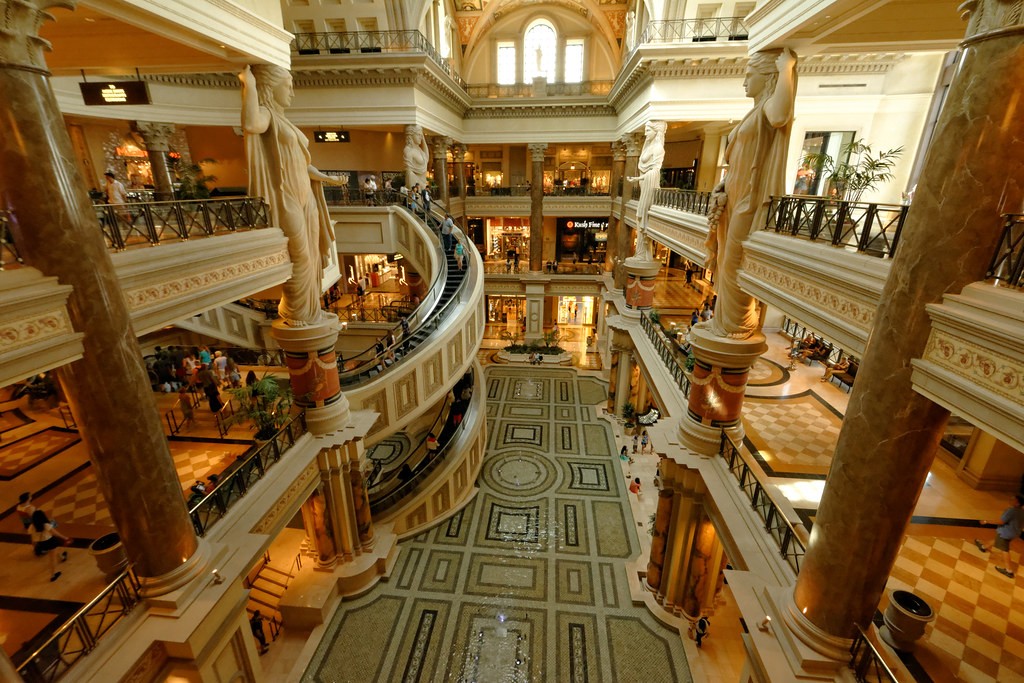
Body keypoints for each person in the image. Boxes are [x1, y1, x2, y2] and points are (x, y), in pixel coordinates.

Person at [704, 48, 797, 339]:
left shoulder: (768, 106)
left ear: (766, 77)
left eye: (750, 75)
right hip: (733, 193)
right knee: (724, 259)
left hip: (749, 197)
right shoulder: (752, 113)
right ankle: (722, 320)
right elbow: (735, 161)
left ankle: (736, 324)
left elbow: (781, 114)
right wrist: (723, 183)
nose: (745, 81)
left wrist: (786, 70)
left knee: (735, 260)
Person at [239, 64, 339, 326]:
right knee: (300, 257)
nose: (292, 93)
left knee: (313, 256)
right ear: (272, 88)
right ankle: (296, 312)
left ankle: (313, 310)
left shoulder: (287, 122)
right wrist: (249, 86)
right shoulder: (266, 115)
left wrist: (328, 178)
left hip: (307, 198)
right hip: (286, 197)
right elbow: (250, 123)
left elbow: (304, 165)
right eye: (288, 86)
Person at [625, 120, 668, 261]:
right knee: (640, 217)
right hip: (644, 186)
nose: (645, 133)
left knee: (643, 216)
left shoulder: (658, 148)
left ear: (656, 131)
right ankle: (641, 252)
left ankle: (643, 253)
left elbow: (655, 171)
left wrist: (638, 178)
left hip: (649, 186)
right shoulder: (648, 147)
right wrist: (638, 179)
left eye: (648, 130)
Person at [975, 494, 1024, 578]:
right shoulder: (1021, 511)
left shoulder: (1011, 511)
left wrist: (986, 521)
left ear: (1018, 503)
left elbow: (1001, 521)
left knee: (1004, 549)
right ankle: (983, 547)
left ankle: (1009, 571)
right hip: (1015, 533)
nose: (1011, 499)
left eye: (1014, 499)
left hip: (1006, 533)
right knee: (998, 540)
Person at [31, 509, 71, 582]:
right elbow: (56, 533)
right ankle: (53, 575)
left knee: (54, 551)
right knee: (52, 558)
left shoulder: (32, 526)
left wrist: (34, 547)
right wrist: (65, 538)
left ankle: (62, 557)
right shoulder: (46, 525)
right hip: (50, 542)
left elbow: (33, 538)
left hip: (41, 543)